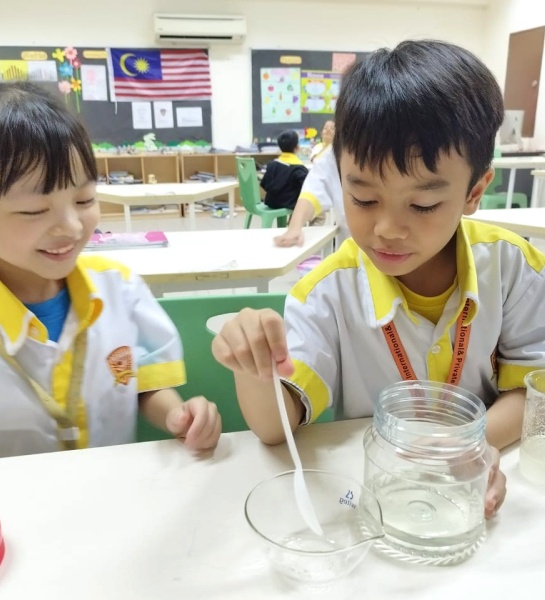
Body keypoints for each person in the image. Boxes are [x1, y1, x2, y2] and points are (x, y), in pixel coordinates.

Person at [211, 39, 545, 518]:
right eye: (363, 198)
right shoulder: (327, 292)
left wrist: (468, 447)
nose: (387, 229)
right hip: (378, 502)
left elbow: (531, 392)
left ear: (474, 192)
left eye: (424, 205)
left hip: (476, 500)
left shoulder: (514, 268)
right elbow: (272, 426)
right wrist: (252, 364)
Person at [0, 81, 221, 458]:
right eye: (35, 210)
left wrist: (177, 416)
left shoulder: (118, 286)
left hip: (111, 496)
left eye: (84, 199)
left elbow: (142, 380)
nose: (70, 226)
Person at [274, 145, 345, 247]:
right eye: (326, 128)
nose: (328, 131)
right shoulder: (332, 151)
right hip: (355, 248)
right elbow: (313, 189)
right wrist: (294, 228)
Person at [260, 129, 308, 211]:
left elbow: (264, 184)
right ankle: (295, 222)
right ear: (297, 147)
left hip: (271, 202)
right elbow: (307, 188)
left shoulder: (272, 164)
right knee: (319, 214)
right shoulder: (299, 169)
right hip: (290, 204)